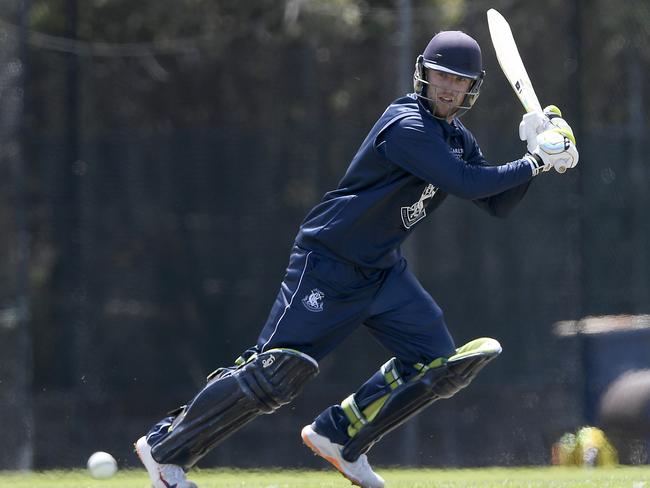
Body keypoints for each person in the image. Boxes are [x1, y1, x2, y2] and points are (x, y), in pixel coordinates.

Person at [134, 30, 578, 488]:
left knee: (438, 366)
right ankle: (165, 449)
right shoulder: (404, 125)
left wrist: (535, 154)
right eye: (440, 74)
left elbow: (496, 203)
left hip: (381, 271)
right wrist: (534, 162)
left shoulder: (457, 137)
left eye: (459, 80)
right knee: (274, 374)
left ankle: (340, 437)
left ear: (472, 88)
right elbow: (465, 182)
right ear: (423, 73)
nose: (448, 86)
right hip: (329, 261)